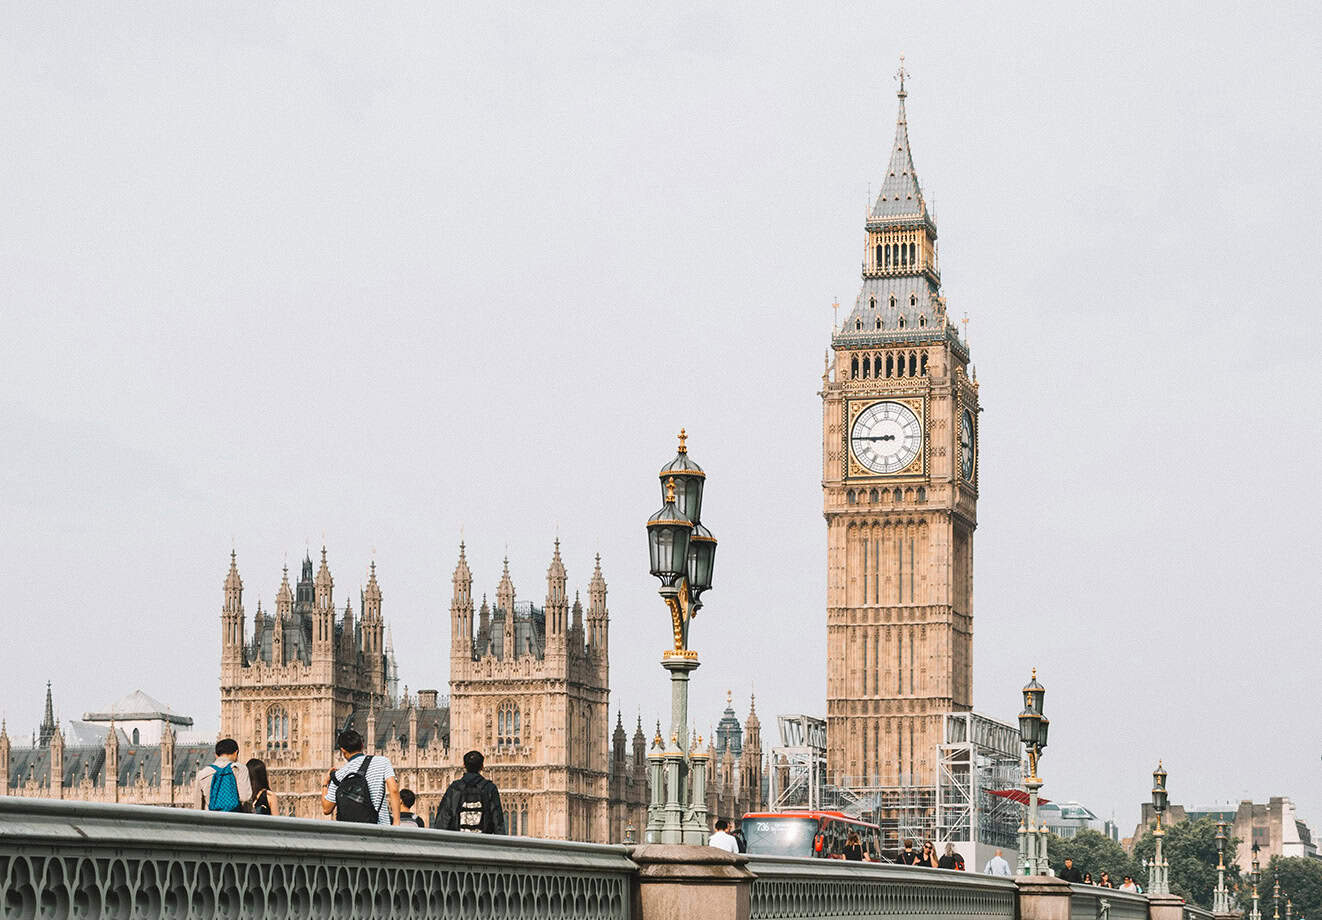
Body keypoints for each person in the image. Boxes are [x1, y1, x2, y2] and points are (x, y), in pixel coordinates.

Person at [322, 729, 401, 826]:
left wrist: (325, 784)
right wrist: (396, 822)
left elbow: (326, 809)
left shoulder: (339, 774)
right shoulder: (382, 762)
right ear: (362, 746)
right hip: (379, 827)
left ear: (342, 750)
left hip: (351, 831)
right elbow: (393, 789)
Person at [436, 750, 506, 834]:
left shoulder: (454, 789)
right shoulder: (489, 788)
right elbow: (497, 821)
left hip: (458, 842)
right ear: (482, 767)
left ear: (464, 766)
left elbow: (443, 820)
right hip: (482, 842)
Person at [197, 738, 252, 812]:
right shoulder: (239, 769)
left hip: (212, 820)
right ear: (236, 753)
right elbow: (245, 797)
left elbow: (197, 806)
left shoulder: (202, 773)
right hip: (235, 819)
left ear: (216, 755)